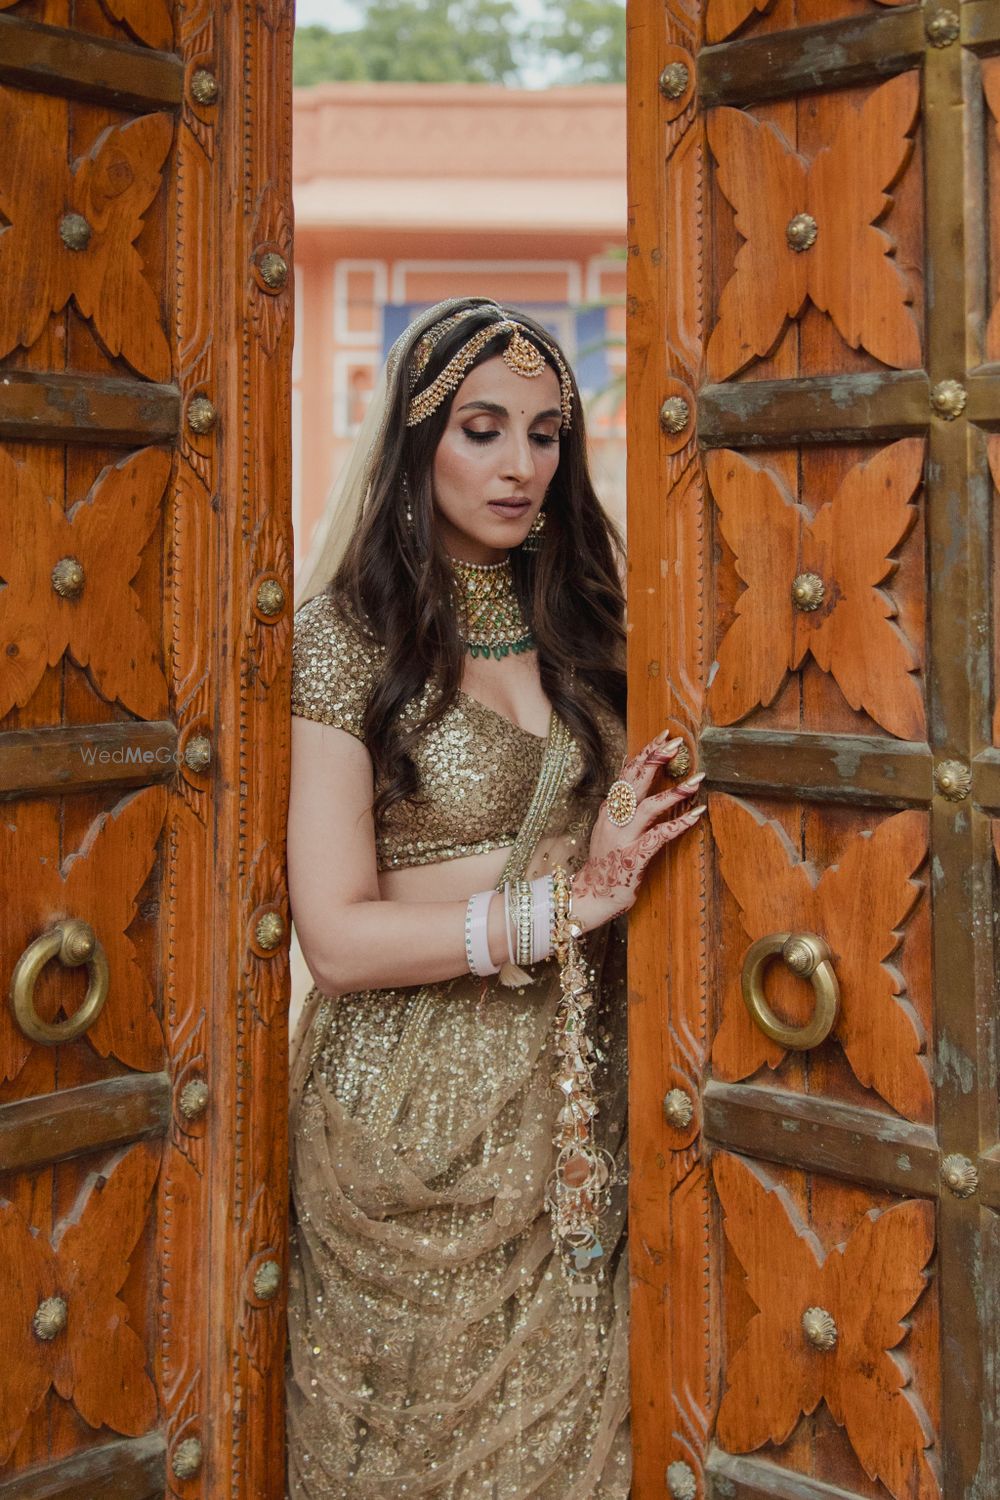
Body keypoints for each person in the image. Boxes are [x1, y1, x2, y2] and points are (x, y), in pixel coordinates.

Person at [285, 298, 705, 1497]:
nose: (521, 465)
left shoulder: (592, 630)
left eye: (544, 433)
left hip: (583, 1100)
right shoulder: (343, 644)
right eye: (480, 430)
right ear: (416, 440)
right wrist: (559, 908)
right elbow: (338, 936)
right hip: (407, 1121)